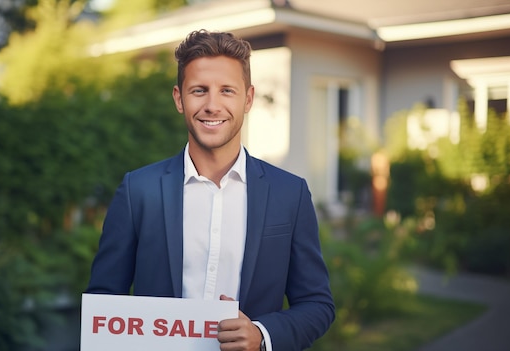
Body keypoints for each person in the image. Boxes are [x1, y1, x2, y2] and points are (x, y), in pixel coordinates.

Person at [86, 29, 335, 351]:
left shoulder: (290, 193)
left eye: (227, 91)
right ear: (179, 99)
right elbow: (103, 302)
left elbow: (317, 304)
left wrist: (262, 334)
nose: (212, 105)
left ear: (248, 99)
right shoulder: (139, 190)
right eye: (199, 91)